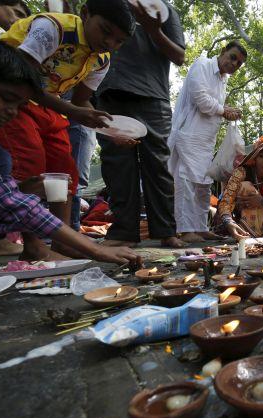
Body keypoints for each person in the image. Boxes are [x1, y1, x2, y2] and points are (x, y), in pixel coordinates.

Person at [0, 0, 135, 261]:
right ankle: (31, 243)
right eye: (106, 31)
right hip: (12, 98)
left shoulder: (101, 60)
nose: (110, 43)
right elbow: (20, 78)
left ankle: (61, 242)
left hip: (51, 106)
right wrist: (74, 112)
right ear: (85, 13)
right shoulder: (52, 28)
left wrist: (113, 132)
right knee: (29, 163)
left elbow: (80, 101)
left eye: (119, 41)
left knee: (64, 173)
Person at [96, 0, 186, 249]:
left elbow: (179, 55)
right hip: (109, 91)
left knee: (157, 165)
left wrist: (153, 29)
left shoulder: (162, 10)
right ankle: (124, 231)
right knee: (116, 165)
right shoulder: (111, 6)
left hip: (152, 95)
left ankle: (166, 230)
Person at [168, 41, 246, 243]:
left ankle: (201, 228)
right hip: (189, 134)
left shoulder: (223, 80)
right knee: (186, 181)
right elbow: (201, 100)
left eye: (238, 64)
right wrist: (224, 110)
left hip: (206, 139)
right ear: (223, 52)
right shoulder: (202, 65)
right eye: (233, 57)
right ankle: (185, 230)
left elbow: (216, 106)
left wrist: (227, 109)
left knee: (203, 183)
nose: (234, 64)